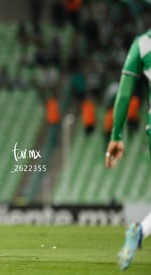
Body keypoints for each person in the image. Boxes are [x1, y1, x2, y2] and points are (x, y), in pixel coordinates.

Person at [105, 28, 151, 271]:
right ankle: (140, 231)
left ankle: (140, 230)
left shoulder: (142, 44)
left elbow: (124, 94)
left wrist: (116, 136)